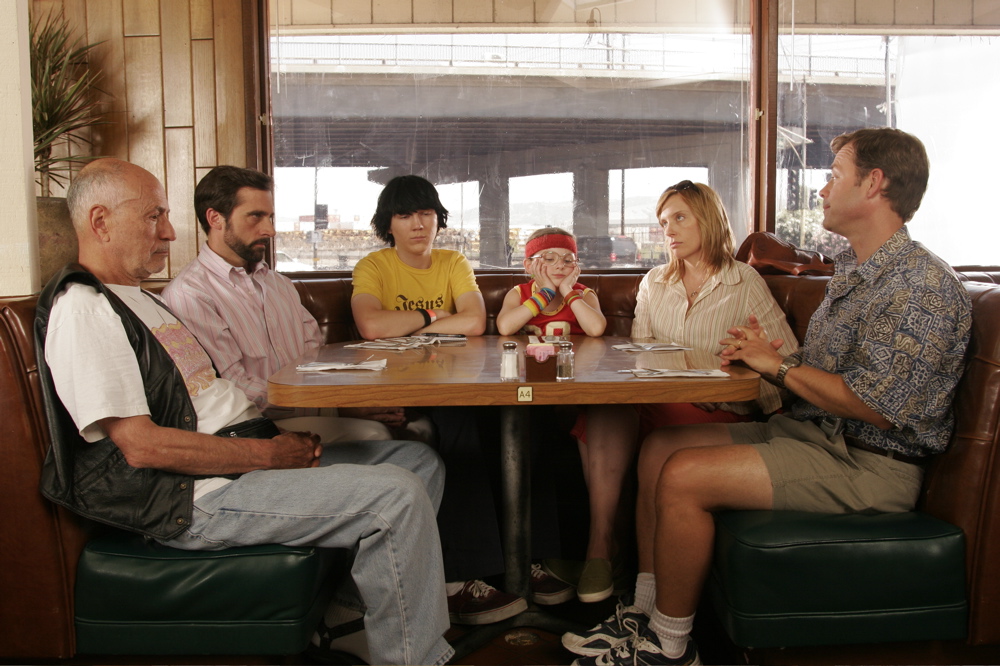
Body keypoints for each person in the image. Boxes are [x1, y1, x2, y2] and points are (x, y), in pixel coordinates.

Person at [563, 128, 972, 666]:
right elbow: (813, 374)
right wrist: (759, 355)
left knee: (684, 474)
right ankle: (644, 612)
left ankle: (670, 648)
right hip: (814, 433)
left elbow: (876, 406)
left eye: (833, 177)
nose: (821, 191)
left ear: (874, 184)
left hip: (870, 462)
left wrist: (776, 364)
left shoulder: (921, 286)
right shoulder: (856, 272)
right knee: (660, 448)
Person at [36, 158, 454, 666]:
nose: (169, 231)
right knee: (397, 496)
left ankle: (351, 613)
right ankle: (415, 658)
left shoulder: (138, 301)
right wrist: (270, 454)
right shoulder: (83, 308)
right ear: (100, 222)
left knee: (418, 463)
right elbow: (143, 447)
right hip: (196, 496)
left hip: (239, 454)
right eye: (153, 217)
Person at [552, 181, 798, 605]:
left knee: (647, 429)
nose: (669, 230)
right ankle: (601, 549)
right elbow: (639, 354)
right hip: (655, 399)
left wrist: (774, 420)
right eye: (664, 222)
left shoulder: (744, 281)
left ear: (709, 218)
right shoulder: (654, 281)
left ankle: (639, 589)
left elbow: (785, 363)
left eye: (680, 218)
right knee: (603, 413)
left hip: (716, 407)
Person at [352, 175, 572, 622]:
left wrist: (413, 327)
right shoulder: (374, 266)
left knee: (529, 420)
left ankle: (530, 560)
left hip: (462, 381)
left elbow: (473, 322)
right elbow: (372, 328)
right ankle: (466, 576)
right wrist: (434, 314)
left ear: (439, 219)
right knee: (459, 431)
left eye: (427, 213)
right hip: (405, 389)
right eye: (405, 214)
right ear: (387, 224)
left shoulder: (453, 262)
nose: (418, 224)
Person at [162, 165, 403, 442]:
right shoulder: (189, 295)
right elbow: (236, 389)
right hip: (248, 429)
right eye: (256, 216)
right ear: (215, 218)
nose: (270, 230)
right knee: (375, 436)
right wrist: (338, 406)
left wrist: (351, 398)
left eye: (271, 217)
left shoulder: (279, 284)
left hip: (306, 408)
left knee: (401, 424)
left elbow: (315, 359)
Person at [496, 227, 606, 337]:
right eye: (549, 259)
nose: (560, 266)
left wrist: (567, 291)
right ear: (529, 266)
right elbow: (505, 328)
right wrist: (546, 294)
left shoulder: (585, 294)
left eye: (568, 260)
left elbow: (596, 330)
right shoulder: (518, 294)